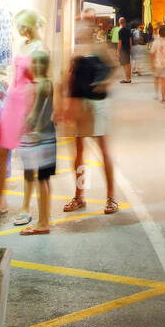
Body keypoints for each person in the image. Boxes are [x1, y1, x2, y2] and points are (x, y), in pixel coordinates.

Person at [0, 8, 40, 223]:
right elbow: (16, 77)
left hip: (28, 102)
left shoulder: (39, 49)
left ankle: (26, 207)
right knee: (1, 149)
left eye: (20, 25)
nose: (18, 29)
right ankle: (1, 201)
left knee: (27, 156)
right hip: (13, 100)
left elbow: (39, 83)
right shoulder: (23, 45)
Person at [58, 18, 118, 215]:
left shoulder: (99, 49)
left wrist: (105, 83)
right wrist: (64, 105)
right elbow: (68, 78)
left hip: (97, 105)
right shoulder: (75, 51)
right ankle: (79, 195)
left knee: (103, 151)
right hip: (78, 106)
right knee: (78, 154)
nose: (80, 32)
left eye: (84, 29)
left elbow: (114, 67)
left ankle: (111, 198)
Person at [16, 41, 56, 235]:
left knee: (40, 181)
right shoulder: (49, 83)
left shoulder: (36, 86)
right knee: (46, 180)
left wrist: (23, 126)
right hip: (50, 135)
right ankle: (45, 218)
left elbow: (34, 114)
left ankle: (42, 223)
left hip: (39, 138)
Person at [150, 23, 165, 101]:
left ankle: (156, 94)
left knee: (156, 78)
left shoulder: (155, 42)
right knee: (164, 80)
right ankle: (163, 97)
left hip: (157, 63)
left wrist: (152, 64)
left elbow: (152, 53)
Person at [117, 15, 132, 83]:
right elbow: (130, 39)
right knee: (128, 64)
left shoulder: (120, 31)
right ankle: (129, 78)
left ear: (120, 22)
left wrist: (118, 51)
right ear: (125, 22)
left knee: (125, 65)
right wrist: (130, 48)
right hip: (128, 49)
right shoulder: (128, 30)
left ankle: (127, 79)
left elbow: (120, 42)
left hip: (123, 49)